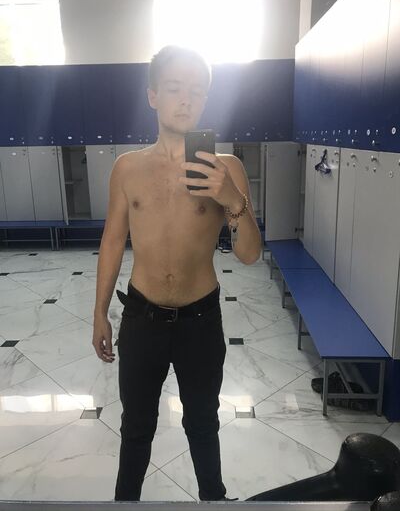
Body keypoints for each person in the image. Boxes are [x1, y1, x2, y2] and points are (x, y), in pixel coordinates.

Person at [92, 44, 262, 502]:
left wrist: (231, 198)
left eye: (197, 91)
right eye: (174, 89)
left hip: (200, 320)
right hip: (141, 317)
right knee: (136, 426)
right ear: (153, 96)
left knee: (203, 423)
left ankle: (214, 501)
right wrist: (100, 313)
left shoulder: (227, 168)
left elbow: (250, 254)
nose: (186, 100)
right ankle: (125, 503)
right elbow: (112, 242)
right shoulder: (127, 168)